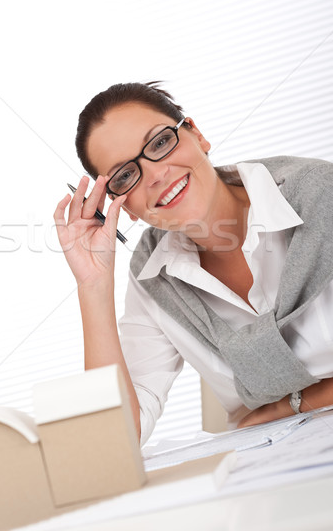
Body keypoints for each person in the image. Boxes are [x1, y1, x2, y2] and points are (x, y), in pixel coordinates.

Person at [54, 81, 333, 446]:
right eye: (125, 175)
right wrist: (93, 286)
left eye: (159, 142)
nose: (155, 174)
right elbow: (114, 443)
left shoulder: (321, 196)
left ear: (197, 135)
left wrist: (288, 406)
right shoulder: (152, 280)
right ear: (122, 206)